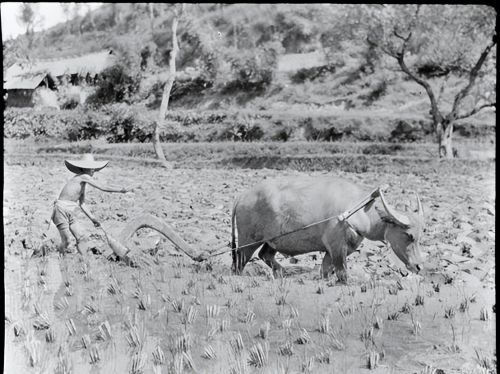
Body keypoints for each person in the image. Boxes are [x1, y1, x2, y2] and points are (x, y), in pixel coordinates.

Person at [51, 153, 132, 255]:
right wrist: (121, 190)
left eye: (93, 168)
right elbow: (102, 187)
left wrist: (93, 219)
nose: (93, 170)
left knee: (81, 237)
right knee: (67, 241)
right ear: (83, 169)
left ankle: (85, 260)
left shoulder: (83, 184)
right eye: (90, 168)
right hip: (61, 209)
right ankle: (60, 257)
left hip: (71, 211)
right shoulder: (83, 176)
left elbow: (82, 204)